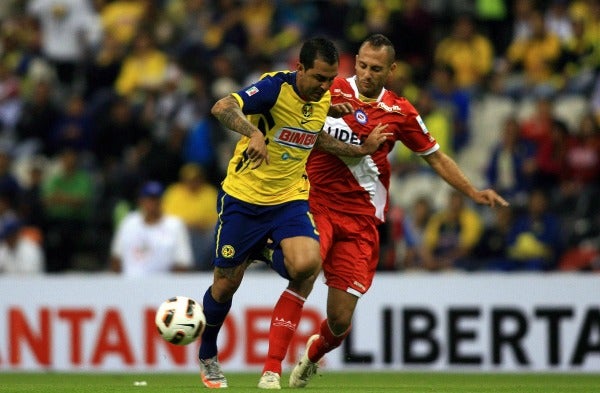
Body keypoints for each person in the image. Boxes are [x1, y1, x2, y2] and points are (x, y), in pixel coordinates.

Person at [284, 34, 508, 388]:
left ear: (391, 69)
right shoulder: (331, 89)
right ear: (354, 61)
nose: (367, 73)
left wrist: (473, 192)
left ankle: (314, 353)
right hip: (317, 202)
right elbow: (290, 111)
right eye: (362, 65)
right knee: (304, 269)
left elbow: (434, 157)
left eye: (376, 68)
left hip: (360, 220)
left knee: (340, 321)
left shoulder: (401, 111)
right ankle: (270, 368)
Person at [196, 37, 390, 389]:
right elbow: (222, 106)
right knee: (225, 286)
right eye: (319, 78)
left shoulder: (323, 98)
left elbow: (313, 135)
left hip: (289, 200)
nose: (326, 86)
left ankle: (267, 251)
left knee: (307, 264)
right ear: (299, 68)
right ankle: (208, 354)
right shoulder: (274, 87)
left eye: (331, 79)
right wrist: (253, 131)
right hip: (243, 199)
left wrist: (358, 148)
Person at [109, 180, 193, 277]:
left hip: (162, 285)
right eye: (149, 199)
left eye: (156, 199)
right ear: (141, 201)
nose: (152, 204)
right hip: (129, 284)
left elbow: (182, 263)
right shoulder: (129, 222)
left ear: (162, 201)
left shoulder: (175, 225)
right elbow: (116, 258)